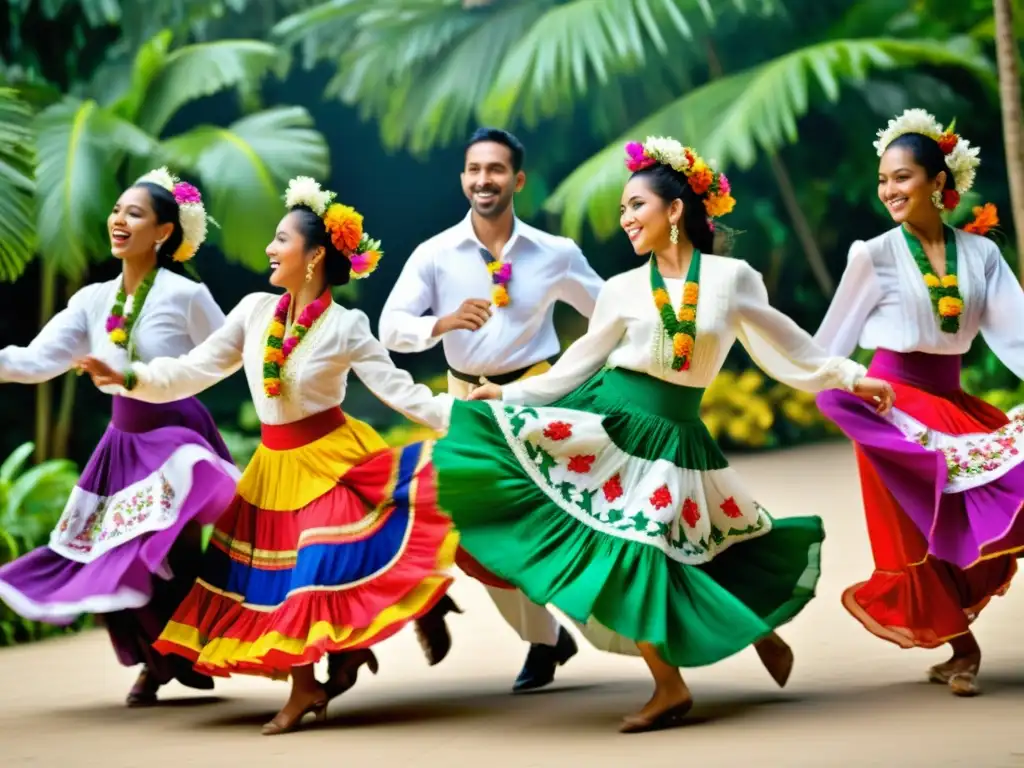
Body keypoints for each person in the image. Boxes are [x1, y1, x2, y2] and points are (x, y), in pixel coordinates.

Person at [421, 136, 896, 732]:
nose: (625, 220)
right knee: (638, 551)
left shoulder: (732, 279)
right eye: (622, 210)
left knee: (704, 547)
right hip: (611, 428)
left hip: (677, 435)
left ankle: (753, 632)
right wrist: (506, 394)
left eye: (635, 206)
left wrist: (852, 376)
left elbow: (785, 340)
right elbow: (576, 365)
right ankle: (670, 687)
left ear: (674, 210)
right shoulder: (621, 290)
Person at [79, 176, 458, 736]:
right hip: (274, 468)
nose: (269, 249)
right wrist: (130, 375)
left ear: (314, 258)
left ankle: (398, 621)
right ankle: (313, 681)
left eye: (281, 239)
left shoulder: (347, 325)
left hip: (333, 462)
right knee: (276, 587)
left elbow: (404, 394)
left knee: (313, 573)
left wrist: (475, 417)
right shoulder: (255, 311)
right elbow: (193, 369)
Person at [0, 168, 239, 706]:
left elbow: (225, 356)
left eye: (135, 213)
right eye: (116, 210)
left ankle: (176, 657)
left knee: (163, 550)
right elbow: (38, 360)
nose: (118, 220)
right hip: (123, 442)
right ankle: (162, 660)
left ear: (162, 233)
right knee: (111, 551)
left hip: (177, 440)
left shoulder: (187, 294)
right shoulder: (90, 301)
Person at [379, 127, 603, 691]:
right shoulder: (434, 255)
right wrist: (442, 322)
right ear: (462, 179)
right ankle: (545, 638)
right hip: (465, 408)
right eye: (475, 169)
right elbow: (390, 329)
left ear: (517, 180)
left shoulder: (556, 253)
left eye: (497, 170)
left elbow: (611, 317)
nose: (484, 180)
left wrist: (578, 375)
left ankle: (597, 633)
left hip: (535, 404)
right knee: (476, 538)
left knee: (549, 528)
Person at [813, 109, 1024, 697]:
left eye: (902, 177)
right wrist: (848, 383)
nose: (889, 191)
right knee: (917, 527)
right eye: (883, 180)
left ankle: (958, 641)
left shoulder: (980, 256)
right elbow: (830, 343)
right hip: (891, 403)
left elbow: (1019, 333)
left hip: (950, 397)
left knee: (993, 497)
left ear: (937, 181)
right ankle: (964, 649)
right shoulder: (872, 254)